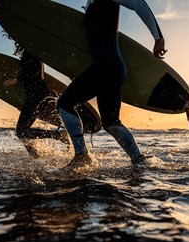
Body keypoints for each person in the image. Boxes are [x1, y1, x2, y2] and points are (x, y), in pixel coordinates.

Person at [57, 0, 167, 170]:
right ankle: (139, 160)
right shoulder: (91, 3)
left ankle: (81, 156)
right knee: (111, 122)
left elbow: (139, 4)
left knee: (64, 103)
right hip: (113, 68)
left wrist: (158, 38)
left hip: (105, 67)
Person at [4, 42, 69, 158]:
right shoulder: (31, 52)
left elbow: (35, 70)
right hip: (36, 96)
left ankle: (58, 135)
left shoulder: (31, 52)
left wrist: (16, 80)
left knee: (21, 131)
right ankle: (35, 155)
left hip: (37, 96)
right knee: (22, 131)